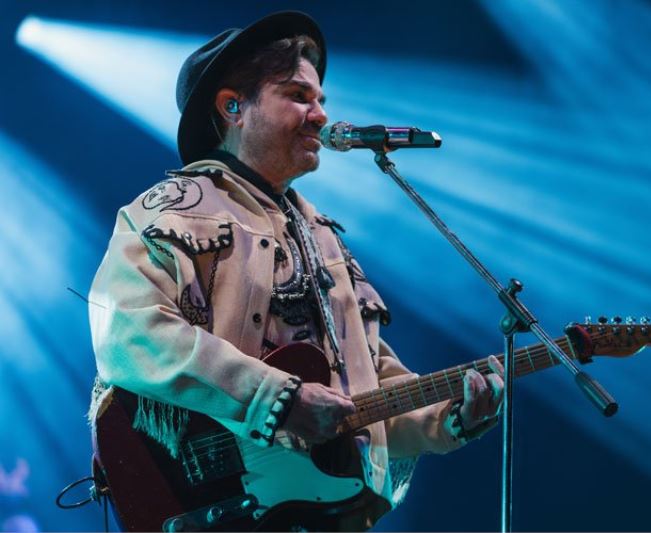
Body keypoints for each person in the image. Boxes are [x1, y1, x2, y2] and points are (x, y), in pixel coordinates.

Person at [88, 10, 504, 531]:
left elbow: (364, 391)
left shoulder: (323, 237)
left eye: (321, 99)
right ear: (233, 107)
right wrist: (277, 399)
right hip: (214, 504)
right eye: (298, 96)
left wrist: (450, 416)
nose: (321, 115)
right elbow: (128, 332)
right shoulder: (173, 210)